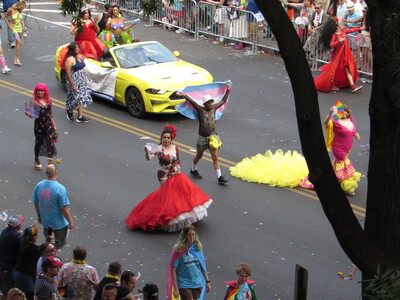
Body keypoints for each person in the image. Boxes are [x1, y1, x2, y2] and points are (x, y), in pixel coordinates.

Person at [125, 125, 213, 232]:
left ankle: (178, 214)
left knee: (182, 193)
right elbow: (149, 158)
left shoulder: (175, 148)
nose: (166, 139)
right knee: (166, 196)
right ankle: (162, 217)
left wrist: (178, 170)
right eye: (164, 137)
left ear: (171, 139)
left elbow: (178, 160)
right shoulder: (158, 148)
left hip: (175, 173)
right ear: (162, 138)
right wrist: (146, 152)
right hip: (164, 175)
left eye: (168, 138)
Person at [300, 104, 361, 195]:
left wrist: (355, 134)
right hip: (338, 148)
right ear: (338, 113)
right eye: (342, 112)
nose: (344, 113)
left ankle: (331, 179)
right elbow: (326, 123)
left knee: (337, 164)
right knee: (343, 163)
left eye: (345, 111)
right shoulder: (335, 121)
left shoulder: (350, 119)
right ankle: (347, 187)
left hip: (348, 148)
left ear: (348, 112)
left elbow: (352, 130)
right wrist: (330, 114)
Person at [181, 82, 231, 184]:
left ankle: (219, 177)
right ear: (204, 104)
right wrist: (185, 95)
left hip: (212, 137)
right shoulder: (200, 110)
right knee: (199, 155)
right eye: (208, 102)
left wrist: (228, 91)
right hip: (202, 138)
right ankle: (193, 169)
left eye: (211, 102)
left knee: (215, 158)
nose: (211, 104)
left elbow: (224, 101)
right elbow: (193, 102)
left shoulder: (214, 108)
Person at [313, 17, 363, 93]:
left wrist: (360, 28)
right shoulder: (334, 35)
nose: (341, 24)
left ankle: (352, 85)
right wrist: (339, 41)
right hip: (337, 55)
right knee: (334, 70)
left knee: (347, 68)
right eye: (339, 24)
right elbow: (331, 44)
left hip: (345, 54)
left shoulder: (343, 31)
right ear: (337, 26)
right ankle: (332, 83)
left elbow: (351, 30)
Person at [32, 163, 74, 249]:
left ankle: (49, 254)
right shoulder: (60, 188)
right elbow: (64, 208)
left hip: (48, 224)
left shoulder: (39, 185)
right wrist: (70, 222)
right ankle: (52, 257)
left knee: (50, 241)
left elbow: (36, 202)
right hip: (59, 225)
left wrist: (39, 215)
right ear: (56, 172)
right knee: (58, 244)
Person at [167, 225, 210, 300]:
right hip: (183, 283)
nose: (191, 237)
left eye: (193, 235)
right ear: (184, 236)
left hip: (197, 283)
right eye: (189, 235)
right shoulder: (179, 250)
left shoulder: (197, 248)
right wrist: (176, 288)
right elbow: (173, 269)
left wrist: (207, 281)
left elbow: (202, 266)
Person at [25, 83, 57, 170]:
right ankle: (36, 159)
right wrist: (29, 113)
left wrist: (54, 125)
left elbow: (50, 114)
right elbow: (31, 114)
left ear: (44, 91)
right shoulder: (34, 102)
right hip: (39, 126)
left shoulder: (48, 101)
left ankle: (50, 162)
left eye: (41, 91)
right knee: (39, 143)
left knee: (49, 142)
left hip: (48, 125)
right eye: (38, 91)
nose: (40, 92)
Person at [64, 42, 93, 122]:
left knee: (82, 98)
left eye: (78, 48)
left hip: (81, 80)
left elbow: (82, 69)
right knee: (77, 97)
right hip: (74, 80)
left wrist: (85, 80)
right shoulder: (70, 59)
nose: (78, 49)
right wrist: (72, 85)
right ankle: (69, 110)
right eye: (76, 48)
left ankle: (80, 116)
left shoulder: (79, 57)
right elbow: (68, 73)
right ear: (72, 50)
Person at [0, 216, 24, 300]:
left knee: (4, 290)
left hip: (2, 266)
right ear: (17, 226)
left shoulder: (4, 231)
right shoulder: (16, 236)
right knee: (9, 292)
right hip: (8, 268)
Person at [12, 225, 41, 294]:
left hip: (16, 271)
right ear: (35, 236)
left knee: (18, 294)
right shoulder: (35, 248)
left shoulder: (22, 242)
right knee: (29, 295)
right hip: (25, 276)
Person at [3, 0, 26, 66]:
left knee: (18, 43)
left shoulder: (19, 10)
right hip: (14, 28)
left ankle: (16, 58)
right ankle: (17, 58)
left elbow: (19, 18)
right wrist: (9, 25)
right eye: (22, 7)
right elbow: (5, 17)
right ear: (19, 6)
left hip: (19, 27)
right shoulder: (11, 10)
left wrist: (22, 23)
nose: (22, 9)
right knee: (19, 41)